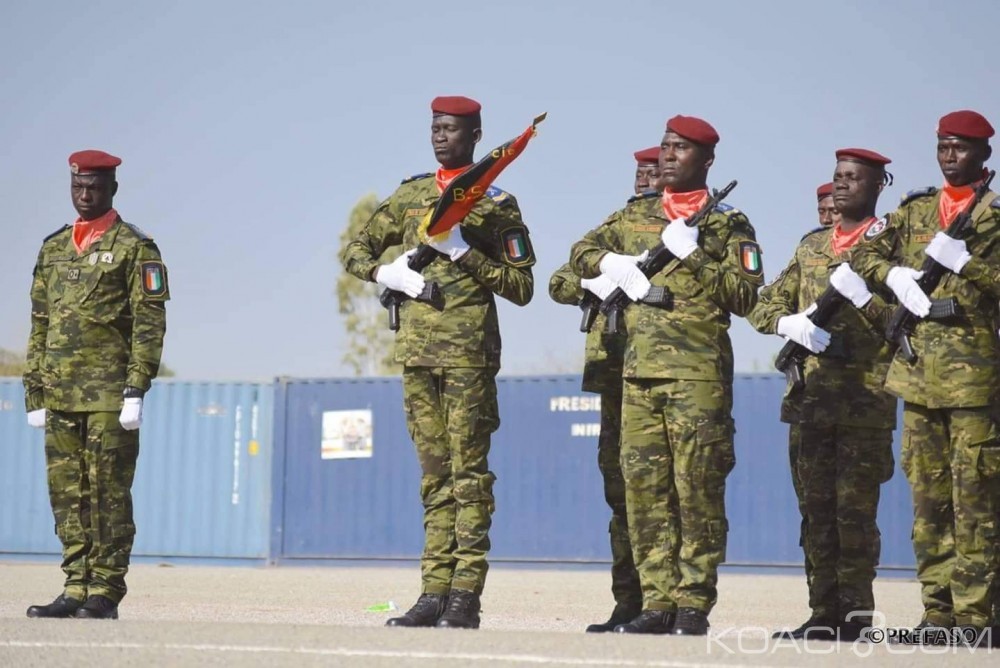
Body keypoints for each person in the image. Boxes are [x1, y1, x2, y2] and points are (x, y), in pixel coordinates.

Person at [341, 96, 535, 630]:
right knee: (434, 478)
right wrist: (388, 275)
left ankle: (464, 595)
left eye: (451, 129)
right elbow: (354, 252)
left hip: (469, 357)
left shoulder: (496, 204)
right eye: (434, 128)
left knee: (469, 478)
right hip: (417, 358)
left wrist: (462, 252)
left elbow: (522, 287)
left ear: (475, 136)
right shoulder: (411, 195)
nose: (439, 136)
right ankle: (432, 590)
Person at [570, 116, 763, 636]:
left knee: (696, 491)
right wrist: (613, 263)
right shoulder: (635, 215)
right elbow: (579, 254)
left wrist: (693, 253)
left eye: (682, 148)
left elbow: (746, 297)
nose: (670, 155)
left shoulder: (728, 224)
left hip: (696, 377)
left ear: (707, 161)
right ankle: (655, 603)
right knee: (644, 493)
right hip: (635, 376)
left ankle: (693, 604)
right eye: (666, 146)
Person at [852, 110, 1000, 642]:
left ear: (984, 153)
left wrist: (967, 264)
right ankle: (938, 614)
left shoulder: (995, 217)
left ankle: (978, 619)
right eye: (942, 147)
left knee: (976, 504)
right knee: (929, 507)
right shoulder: (915, 210)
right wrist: (891, 274)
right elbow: (864, 251)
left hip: (973, 383)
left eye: (959, 148)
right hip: (916, 377)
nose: (949, 156)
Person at [748, 148, 897, 640]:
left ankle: (855, 618)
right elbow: (761, 304)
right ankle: (821, 614)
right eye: (837, 177)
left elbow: (903, 323)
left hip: (863, 405)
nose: (841, 185)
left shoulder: (890, 247)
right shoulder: (812, 247)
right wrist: (786, 323)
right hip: (809, 403)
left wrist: (865, 298)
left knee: (854, 517)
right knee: (814, 515)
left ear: (877, 186)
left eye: (853, 178)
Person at [23, 150, 169, 620]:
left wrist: (136, 388)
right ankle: (75, 585)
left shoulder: (136, 247)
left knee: (107, 493)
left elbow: (149, 323)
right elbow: (39, 324)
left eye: (94, 188)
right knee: (67, 493)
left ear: (112, 189)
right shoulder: (53, 248)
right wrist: (34, 391)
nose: (84, 195)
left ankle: (104, 590)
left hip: (109, 395)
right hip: (60, 393)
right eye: (77, 187)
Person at [548, 146, 660, 632]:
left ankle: (665, 601)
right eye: (638, 171)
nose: (643, 179)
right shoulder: (615, 225)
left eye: (652, 171)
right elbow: (559, 280)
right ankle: (628, 601)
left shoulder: (681, 233)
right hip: (612, 375)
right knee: (620, 494)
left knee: (654, 495)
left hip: (654, 371)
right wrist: (595, 284)